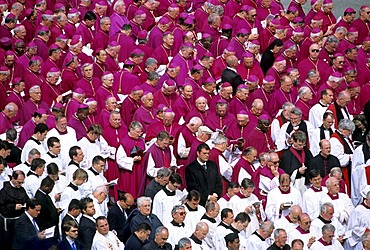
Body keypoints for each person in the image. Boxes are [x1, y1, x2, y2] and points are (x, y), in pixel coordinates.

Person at [34, 176, 59, 245]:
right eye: (50, 188)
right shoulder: (40, 197)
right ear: (45, 186)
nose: (51, 190)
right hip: (46, 228)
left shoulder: (45, 195)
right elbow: (41, 214)